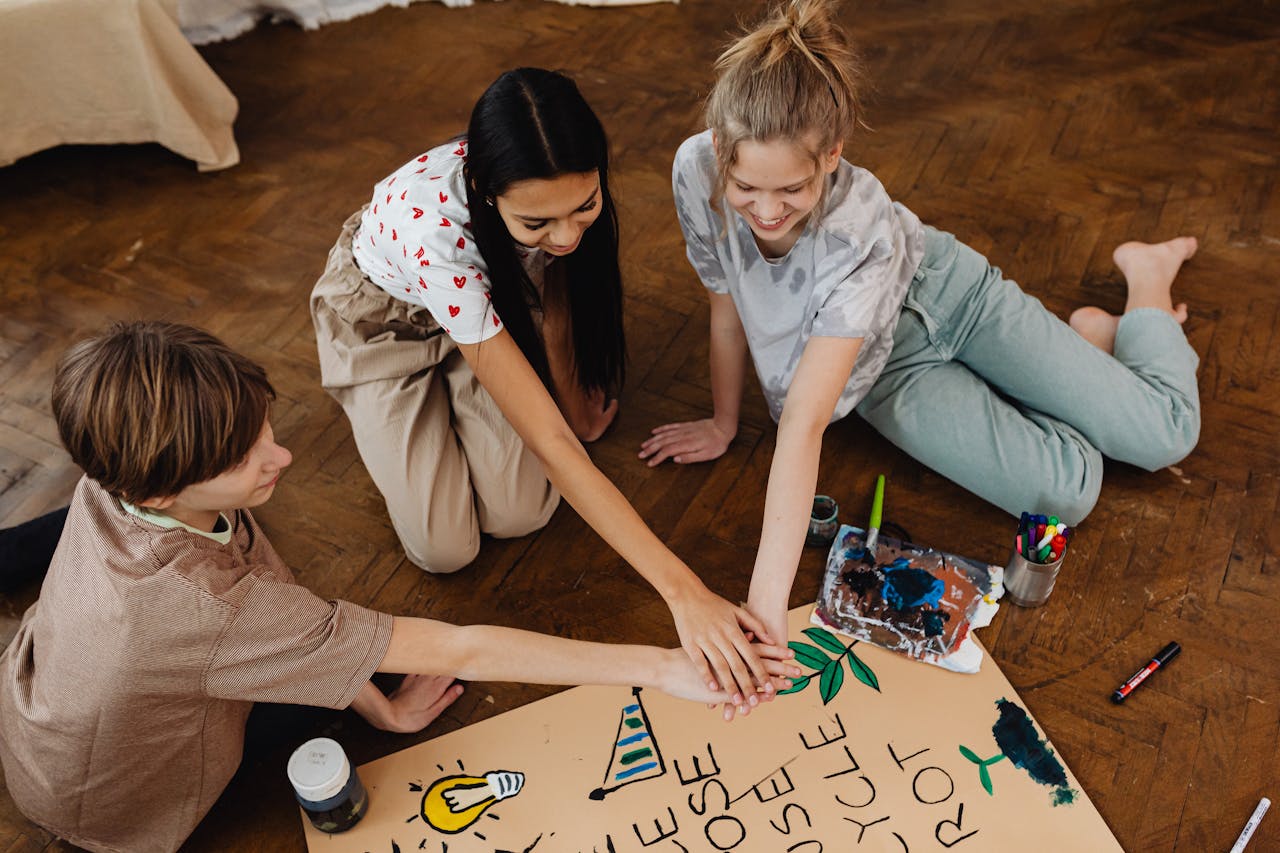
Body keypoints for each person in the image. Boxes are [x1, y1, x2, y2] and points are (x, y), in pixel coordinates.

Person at [0, 322, 798, 853]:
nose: (281, 456)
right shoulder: (208, 609)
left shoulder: (116, 472)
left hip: (43, 709)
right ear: (161, 488)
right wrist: (664, 666)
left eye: (262, 427)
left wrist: (371, 696)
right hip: (111, 799)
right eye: (243, 458)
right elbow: (462, 647)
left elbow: (268, 606)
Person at [640, 0, 1201, 645]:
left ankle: (1148, 277)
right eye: (747, 188)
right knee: (1069, 494)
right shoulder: (696, 171)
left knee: (1166, 433)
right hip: (885, 370)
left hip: (951, 294)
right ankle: (1092, 348)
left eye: (792, 190)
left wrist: (766, 611)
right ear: (719, 149)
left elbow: (802, 423)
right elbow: (725, 298)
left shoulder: (857, 226)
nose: (766, 212)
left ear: (831, 155)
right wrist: (723, 421)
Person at [311, 67, 777, 704]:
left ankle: (453, 400)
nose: (567, 235)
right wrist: (685, 594)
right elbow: (552, 445)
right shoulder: (435, 235)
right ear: (486, 193)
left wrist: (574, 405)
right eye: (538, 222)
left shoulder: (554, 203)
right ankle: (394, 409)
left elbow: (552, 285)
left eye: (585, 208)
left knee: (522, 512)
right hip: (383, 330)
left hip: (484, 322)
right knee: (444, 548)